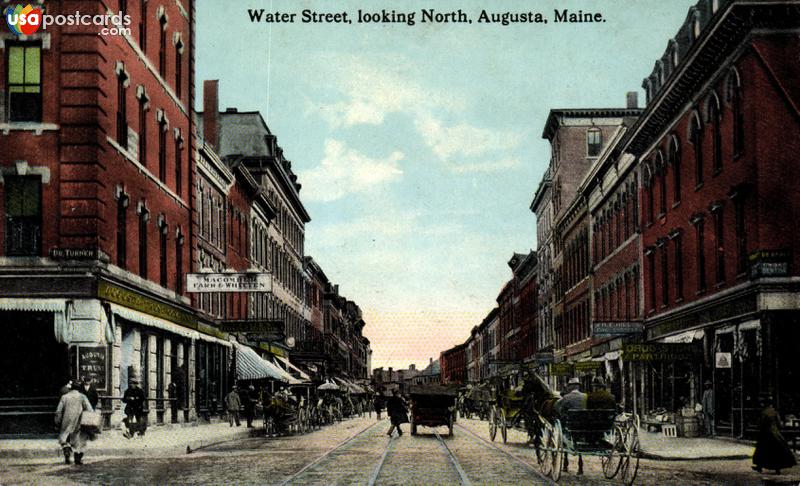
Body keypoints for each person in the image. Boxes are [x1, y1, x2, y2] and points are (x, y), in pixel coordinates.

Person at [752, 393, 797, 475]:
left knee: (762, 450)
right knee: (777, 451)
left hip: (766, 433)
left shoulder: (764, 412)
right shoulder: (775, 412)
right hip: (776, 433)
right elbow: (779, 424)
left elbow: (760, 424)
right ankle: (777, 469)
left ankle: (759, 466)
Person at [54, 382, 93, 465]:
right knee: (79, 441)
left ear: (70, 388)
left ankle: (67, 450)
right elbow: (89, 409)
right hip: (79, 421)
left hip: (66, 421)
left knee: (66, 438)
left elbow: (58, 411)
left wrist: (57, 422)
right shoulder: (82, 397)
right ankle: (78, 458)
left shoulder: (64, 397)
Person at [556, 377, 588, 475]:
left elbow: (560, 411)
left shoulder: (566, 398)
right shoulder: (585, 396)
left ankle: (565, 464)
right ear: (578, 387)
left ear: (571, 387)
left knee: (564, 432)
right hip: (584, 426)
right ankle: (580, 466)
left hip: (570, 426)